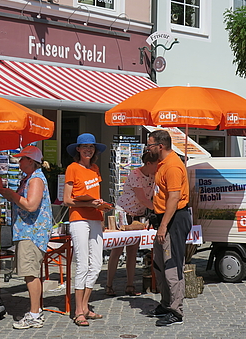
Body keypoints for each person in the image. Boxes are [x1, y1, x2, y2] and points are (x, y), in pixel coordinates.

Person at [0, 146, 53, 330]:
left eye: (22, 159)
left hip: (32, 232)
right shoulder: (29, 178)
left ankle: (35, 314)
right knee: (29, 273)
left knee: (31, 274)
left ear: (30, 161)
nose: (18, 162)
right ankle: (35, 311)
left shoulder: (35, 179)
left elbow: (31, 205)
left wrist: (11, 195)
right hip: (27, 231)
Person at [145, 130, 191, 327]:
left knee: (172, 264)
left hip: (174, 219)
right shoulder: (162, 165)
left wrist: (164, 226)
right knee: (160, 264)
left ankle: (176, 309)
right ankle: (165, 303)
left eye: (150, 145)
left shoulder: (172, 166)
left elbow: (173, 198)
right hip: (164, 218)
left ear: (160, 146)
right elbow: (162, 196)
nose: (148, 148)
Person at [63, 133, 109, 327]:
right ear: (78, 150)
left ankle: (85, 307)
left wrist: (101, 210)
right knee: (82, 263)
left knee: (97, 264)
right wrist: (90, 203)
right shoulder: (72, 168)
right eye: (85, 147)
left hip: (96, 219)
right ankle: (78, 311)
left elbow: (97, 195)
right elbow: (67, 200)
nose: (88, 150)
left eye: (91, 147)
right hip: (79, 218)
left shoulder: (96, 169)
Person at [105, 151, 159, 297]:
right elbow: (142, 198)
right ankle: (109, 284)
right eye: (156, 164)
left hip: (138, 214)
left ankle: (130, 285)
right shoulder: (135, 175)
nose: (158, 167)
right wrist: (159, 209)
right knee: (117, 250)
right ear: (148, 164)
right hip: (123, 212)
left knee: (133, 252)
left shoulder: (154, 175)